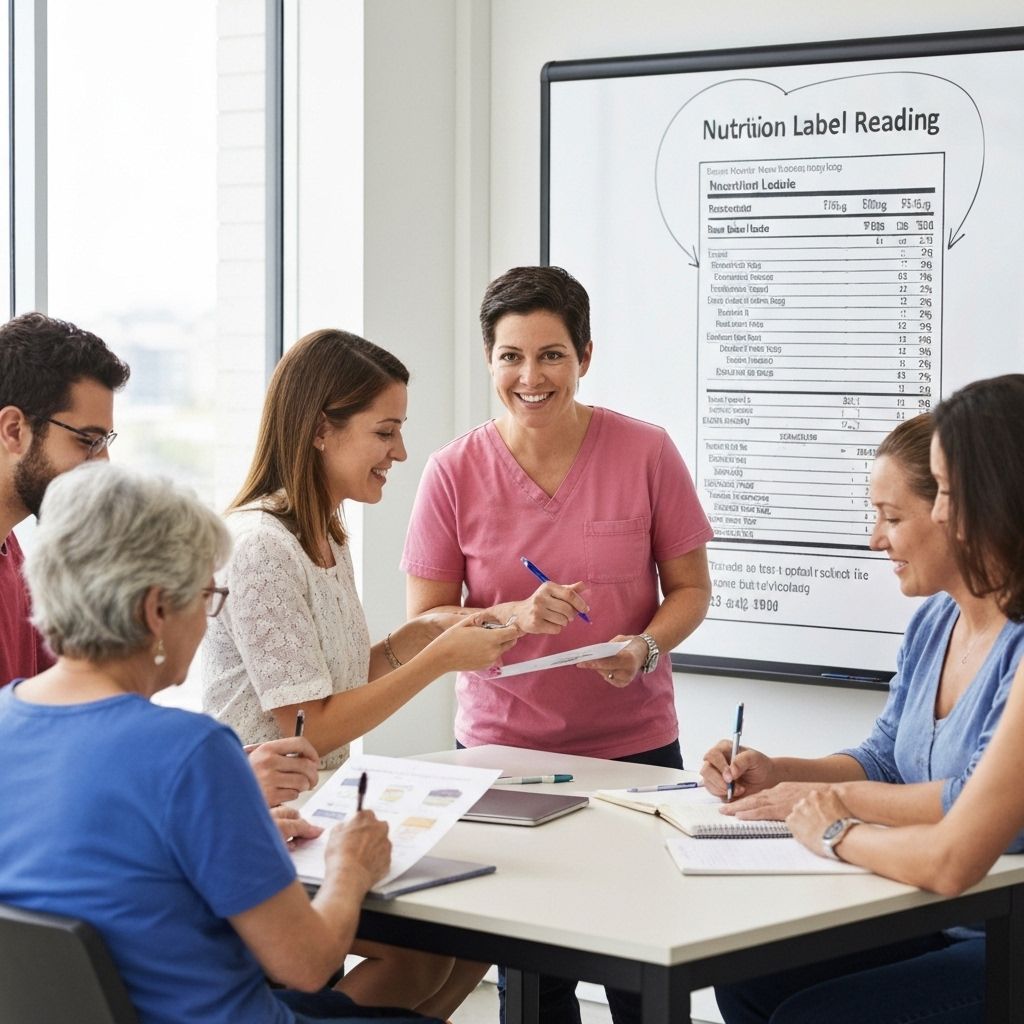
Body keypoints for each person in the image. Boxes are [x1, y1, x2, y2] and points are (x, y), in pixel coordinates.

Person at [0, 461, 444, 1024]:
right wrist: (350, 866)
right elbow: (306, 963)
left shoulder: (8, 719)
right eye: (206, 596)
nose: (208, 621)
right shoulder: (189, 751)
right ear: (156, 609)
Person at [402, 265, 713, 1024]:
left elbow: (692, 590)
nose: (530, 376)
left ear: (585, 357)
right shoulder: (452, 471)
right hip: (504, 754)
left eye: (550, 355)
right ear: (489, 360)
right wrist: (512, 616)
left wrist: (643, 645)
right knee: (534, 984)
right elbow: (426, 623)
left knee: (644, 966)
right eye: (510, 356)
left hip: (634, 753)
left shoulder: (645, 451)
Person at [202, 327, 517, 1013]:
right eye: (386, 432)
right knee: (424, 950)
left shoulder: (323, 532)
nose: (400, 452)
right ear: (321, 430)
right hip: (267, 818)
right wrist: (437, 663)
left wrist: (414, 638)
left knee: (472, 939)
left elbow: (332, 681)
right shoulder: (261, 547)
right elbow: (309, 724)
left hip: (315, 811)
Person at [731, 376, 1024, 1024]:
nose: (941, 514)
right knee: (746, 978)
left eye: (946, 493)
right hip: (940, 912)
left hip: (999, 928)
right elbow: (890, 757)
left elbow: (957, 845)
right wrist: (786, 775)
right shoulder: (932, 625)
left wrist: (832, 825)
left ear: (995, 495)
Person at [0, 312, 129, 685]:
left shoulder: (14, 553)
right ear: (14, 430)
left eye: (105, 442)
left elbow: (62, 708)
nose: (102, 463)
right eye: (87, 440)